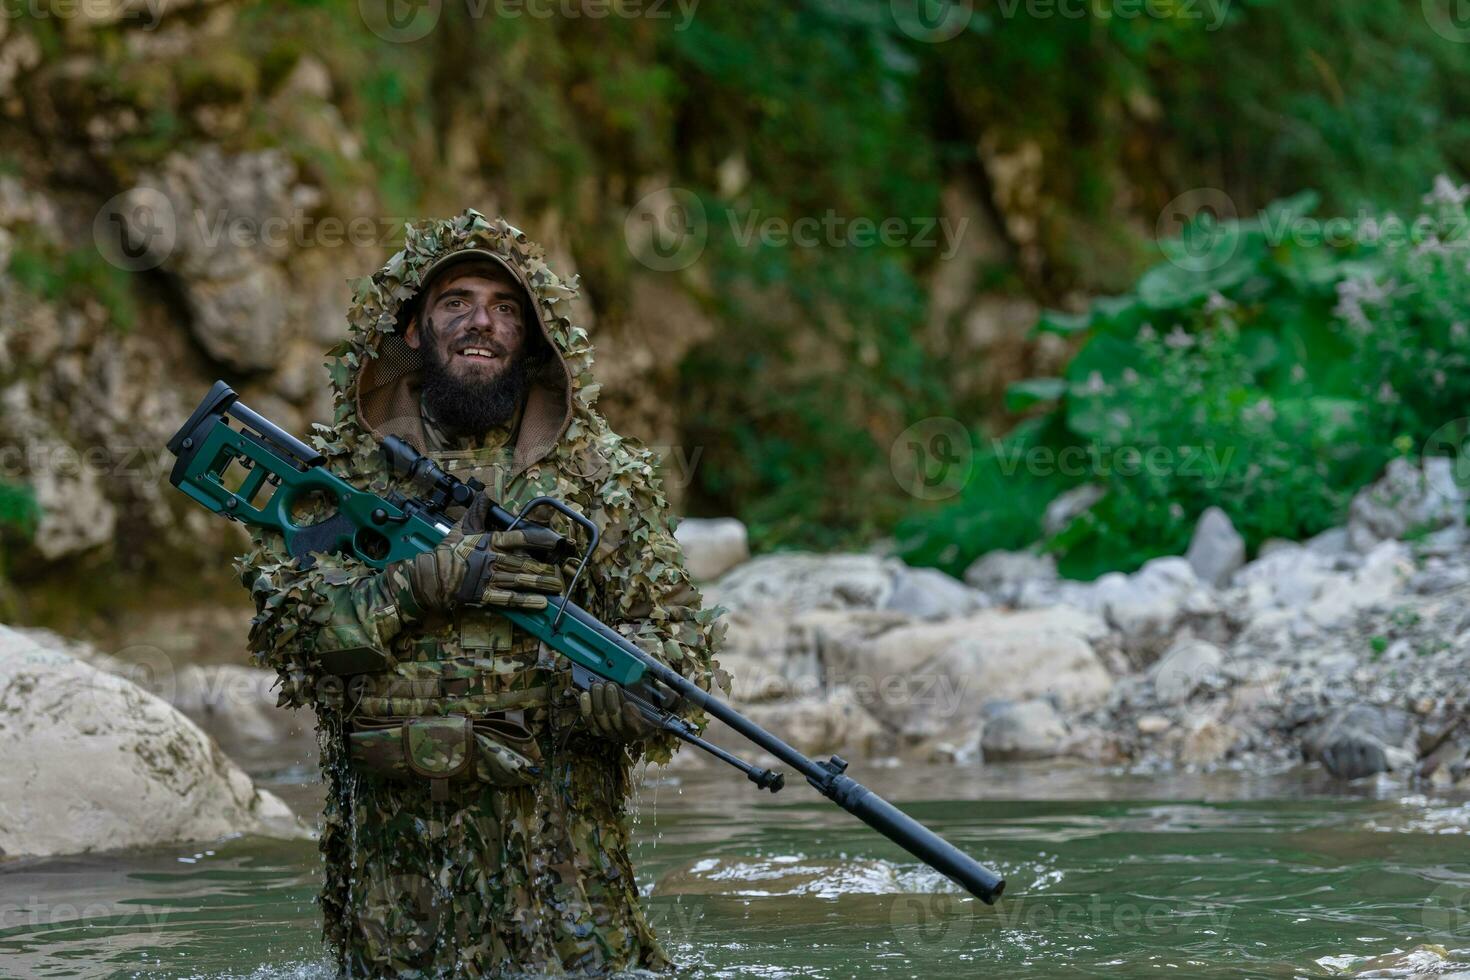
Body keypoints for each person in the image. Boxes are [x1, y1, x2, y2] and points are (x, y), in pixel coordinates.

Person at [239, 210, 724, 976]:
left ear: (534, 338)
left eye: (505, 308)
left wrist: (621, 693)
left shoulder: (601, 478)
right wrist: (418, 584)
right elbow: (294, 644)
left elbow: (682, 658)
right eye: (456, 301)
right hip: (395, 901)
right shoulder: (341, 476)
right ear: (413, 326)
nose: (481, 323)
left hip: (568, 894)